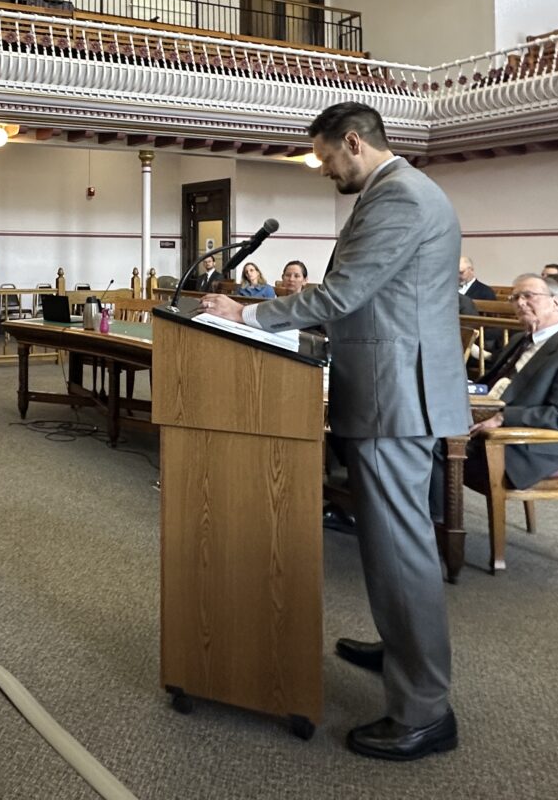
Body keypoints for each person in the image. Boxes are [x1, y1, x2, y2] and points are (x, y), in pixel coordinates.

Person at [201, 102, 468, 762]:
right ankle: (405, 649)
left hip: (398, 397)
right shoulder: (390, 192)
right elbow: (363, 294)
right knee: (390, 544)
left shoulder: (400, 197)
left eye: (324, 157)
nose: (323, 169)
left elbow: (344, 294)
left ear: (354, 142)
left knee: (399, 548)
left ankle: (425, 712)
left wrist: (250, 312)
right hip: (388, 391)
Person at [432, 274, 558, 520]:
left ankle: (437, 527)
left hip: (529, 448)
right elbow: (490, 386)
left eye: (529, 296)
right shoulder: (519, 340)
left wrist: (503, 418)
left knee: (432, 445)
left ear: (556, 302)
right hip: (488, 429)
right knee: (420, 430)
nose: (520, 303)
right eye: (515, 297)